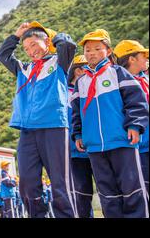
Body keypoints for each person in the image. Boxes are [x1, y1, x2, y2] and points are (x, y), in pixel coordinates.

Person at [0, 21, 77, 218]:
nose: (30, 51)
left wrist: (49, 33)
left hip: (54, 127)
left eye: (34, 44)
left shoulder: (59, 62)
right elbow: (3, 55)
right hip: (27, 131)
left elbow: (67, 44)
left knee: (60, 183)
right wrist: (17, 35)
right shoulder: (23, 69)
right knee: (27, 183)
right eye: (26, 48)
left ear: (47, 42)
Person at [71, 29, 149, 218]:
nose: (92, 53)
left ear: (108, 50)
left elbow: (136, 101)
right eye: (88, 50)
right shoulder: (81, 82)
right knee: (107, 193)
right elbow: (76, 113)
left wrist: (135, 125)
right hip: (95, 147)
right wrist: (78, 134)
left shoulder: (118, 73)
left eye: (98, 48)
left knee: (132, 190)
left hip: (122, 141)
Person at [114, 40, 149, 195]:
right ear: (132, 59)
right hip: (139, 147)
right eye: (143, 55)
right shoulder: (118, 85)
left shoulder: (145, 79)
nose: (147, 59)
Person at [68, 55, 94, 218]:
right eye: (89, 68)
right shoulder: (63, 91)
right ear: (79, 70)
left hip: (98, 148)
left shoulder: (96, 87)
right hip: (75, 152)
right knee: (82, 194)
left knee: (108, 191)